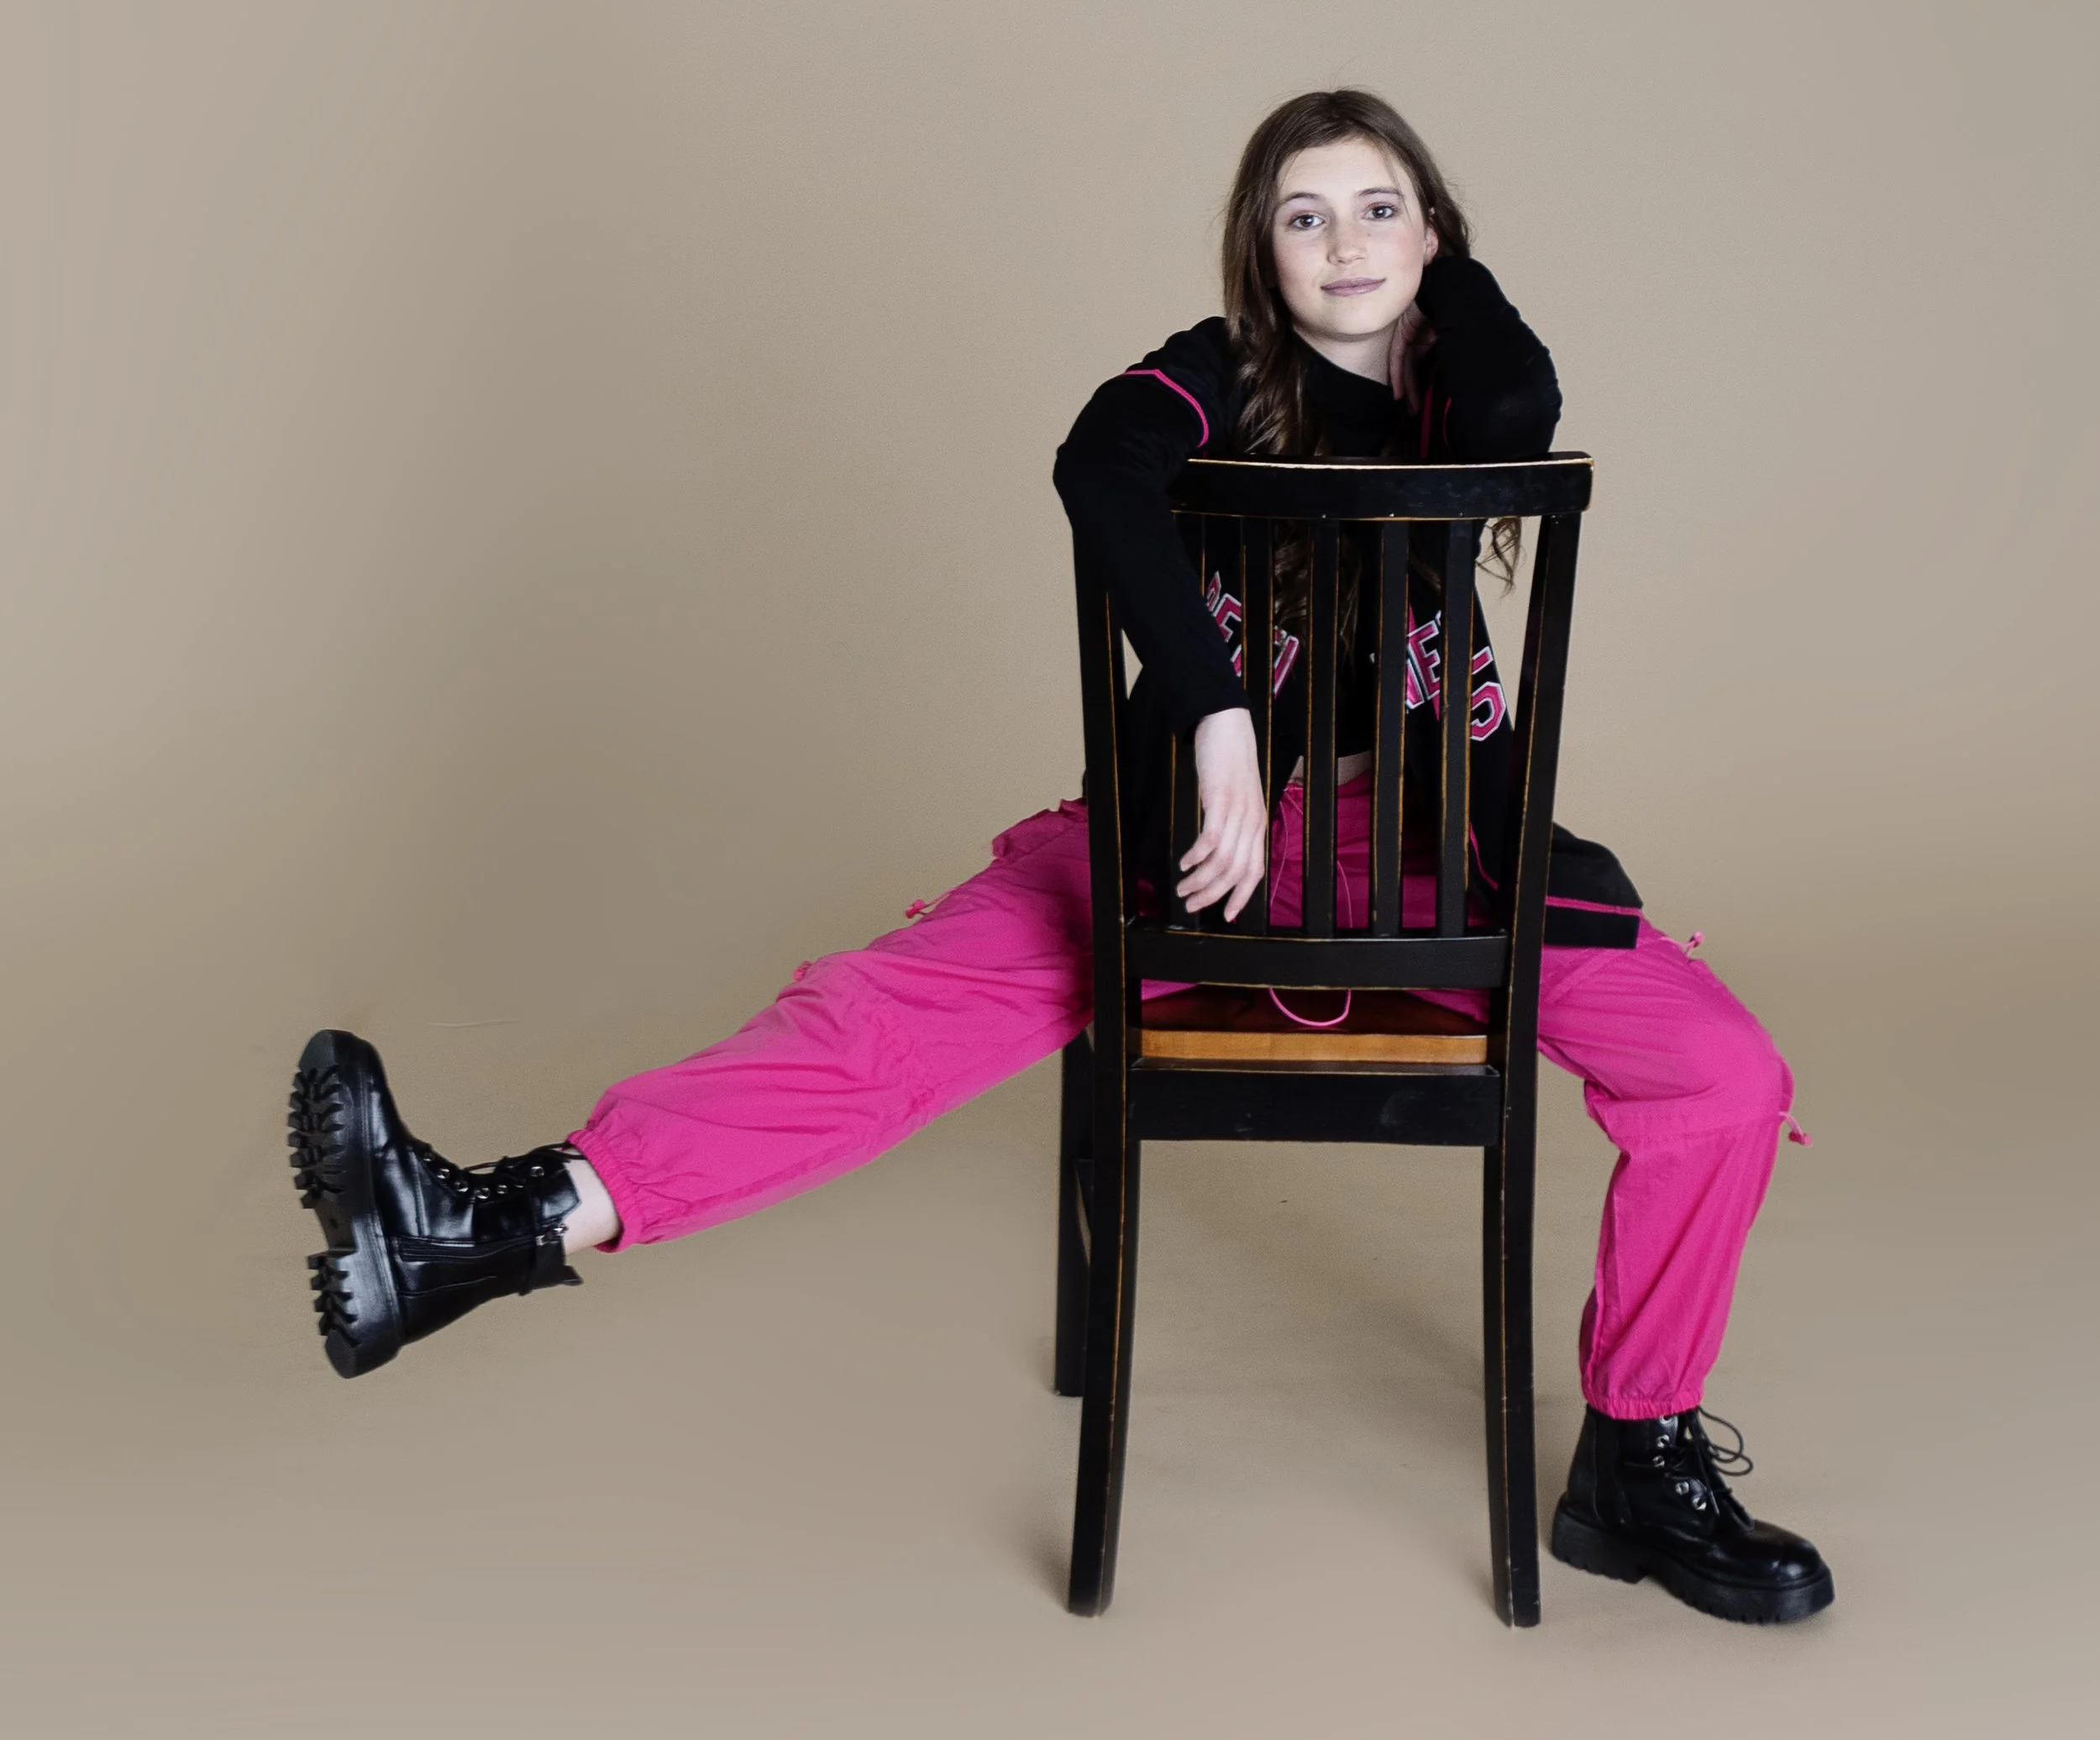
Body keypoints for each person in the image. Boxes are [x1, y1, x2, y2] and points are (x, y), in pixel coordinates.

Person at [290, 88, 1832, 1626]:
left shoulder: (1468, 382)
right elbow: (1099, 465)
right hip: (1191, 849)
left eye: (1381, 208)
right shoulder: (1217, 372)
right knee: (880, 1015)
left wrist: (1452, 270)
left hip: (1443, 860)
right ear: (1260, 253)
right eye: (1303, 216)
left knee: (1726, 1077)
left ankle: (1634, 1459)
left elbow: (1512, 413)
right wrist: (1221, 716)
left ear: (1434, 231)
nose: (1345, 243)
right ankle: (493, 1225)